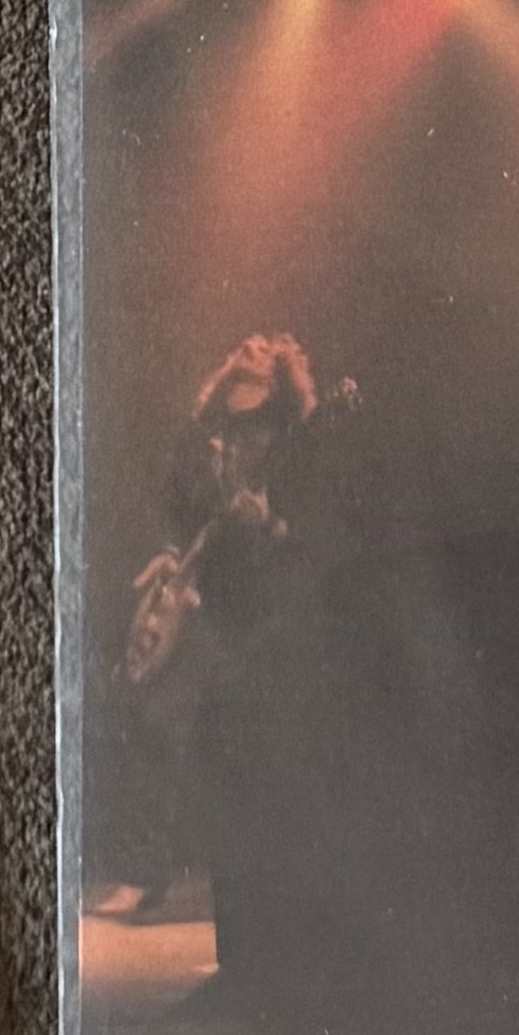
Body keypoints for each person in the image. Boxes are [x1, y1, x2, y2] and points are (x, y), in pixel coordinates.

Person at [93, 334, 345, 925]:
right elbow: (173, 508)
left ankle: (254, 880)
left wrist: (269, 523)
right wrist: (167, 552)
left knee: (233, 731)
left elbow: (310, 534)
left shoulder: (291, 441)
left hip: (257, 608)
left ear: (277, 377)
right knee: (151, 715)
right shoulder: (204, 435)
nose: (251, 341)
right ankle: (144, 872)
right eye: (246, 343)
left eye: (264, 345)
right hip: (196, 597)